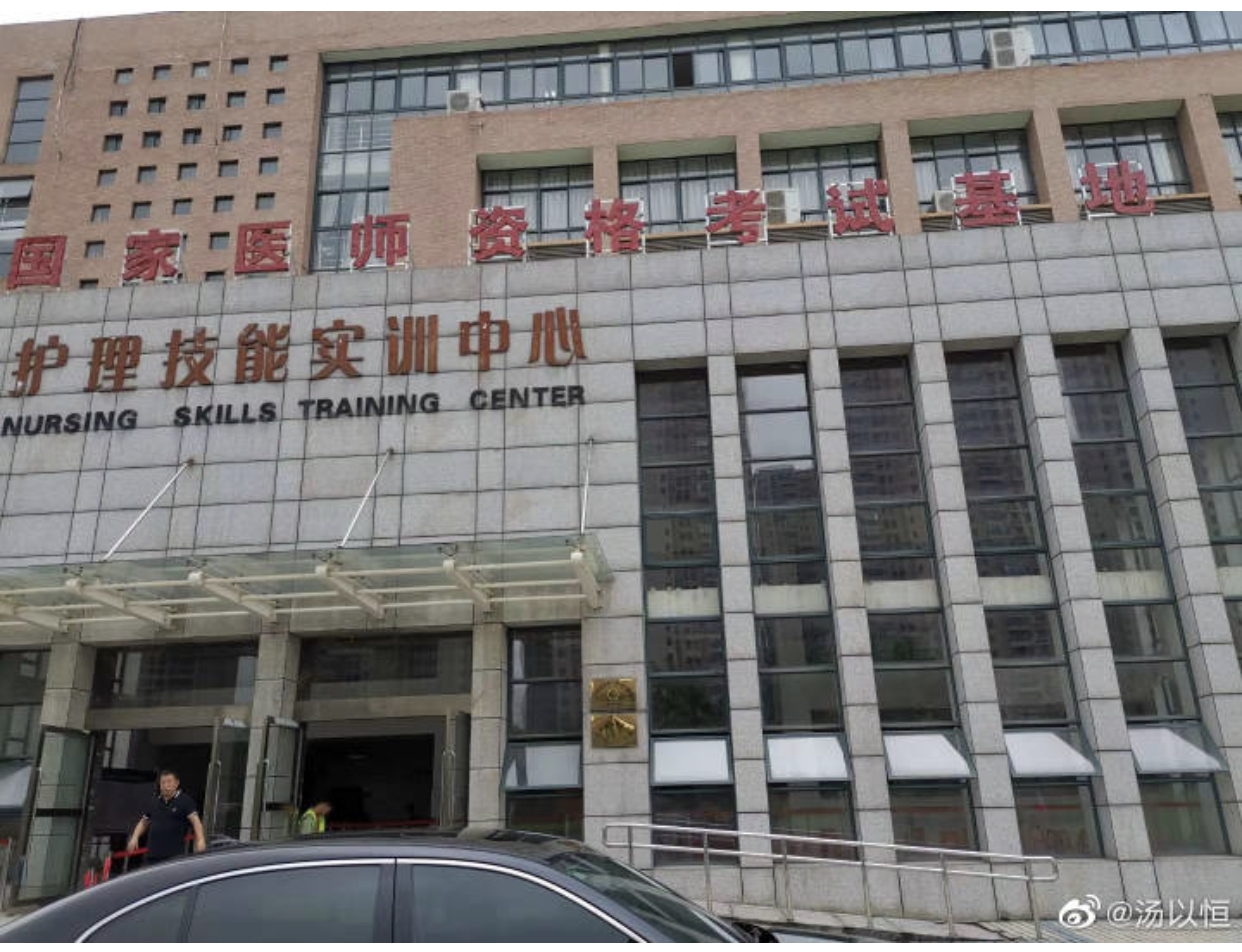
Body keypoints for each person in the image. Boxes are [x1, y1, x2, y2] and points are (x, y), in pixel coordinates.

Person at [126, 769, 207, 864]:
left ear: (177, 783)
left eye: (169, 782)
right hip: (152, 855)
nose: (165, 785)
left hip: (173, 857)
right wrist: (135, 837)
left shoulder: (185, 801)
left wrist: (200, 840)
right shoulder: (154, 801)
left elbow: (196, 822)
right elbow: (144, 822)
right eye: (163, 782)